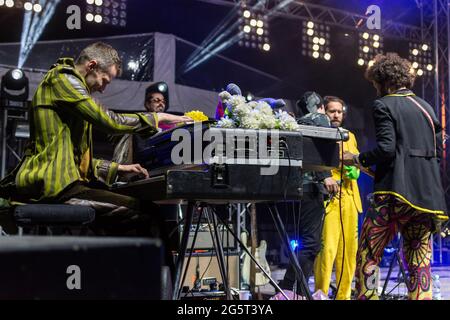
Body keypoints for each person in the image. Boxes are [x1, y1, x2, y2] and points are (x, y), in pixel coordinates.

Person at [0, 42, 191, 236]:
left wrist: (119, 169)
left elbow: (76, 162)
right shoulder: (62, 79)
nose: (103, 89)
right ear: (92, 66)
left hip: (64, 185)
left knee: (139, 213)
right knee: (146, 215)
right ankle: (156, 267)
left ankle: (114, 264)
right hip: (53, 188)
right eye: (105, 80)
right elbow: (110, 121)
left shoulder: (70, 93)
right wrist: (159, 117)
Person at [343, 53, 448, 300]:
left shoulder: (383, 104)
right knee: (418, 259)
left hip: (394, 195)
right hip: (426, 198)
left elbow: (387, 149)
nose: (375, 89)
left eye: (375, 84)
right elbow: (438, 153)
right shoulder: (426, 107)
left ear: (383, 81)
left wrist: (358, 159)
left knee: (368, 255)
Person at [277, 91, 339, 297]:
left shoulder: (294, 123)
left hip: (295, 187)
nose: (333, 116)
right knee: (310, 244)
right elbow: (316, 150)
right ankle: (291, 291)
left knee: (306, 243)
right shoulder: (317, 119)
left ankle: (292, 290)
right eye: (331, 111)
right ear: (320, 107)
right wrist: (325, 175)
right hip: (309, 187)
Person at [313, 96, 363, 300]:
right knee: (328, 252)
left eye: (339, 112)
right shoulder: (320, 134)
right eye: (332, 111)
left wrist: (356, 171)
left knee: (349, 254)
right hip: (331, 199)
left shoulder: (349, 135)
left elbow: (357, 161)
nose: (336, 115)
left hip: (350, 198)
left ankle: (344, 296)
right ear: (324, 111)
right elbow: (315, 162)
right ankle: (321, 295)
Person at [112, 81, 172, 165]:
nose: (161, 104)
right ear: (147, 104)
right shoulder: (140, 124)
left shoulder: (172, 126)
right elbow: (141, 152)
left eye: (163, 102)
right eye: (157, 100)